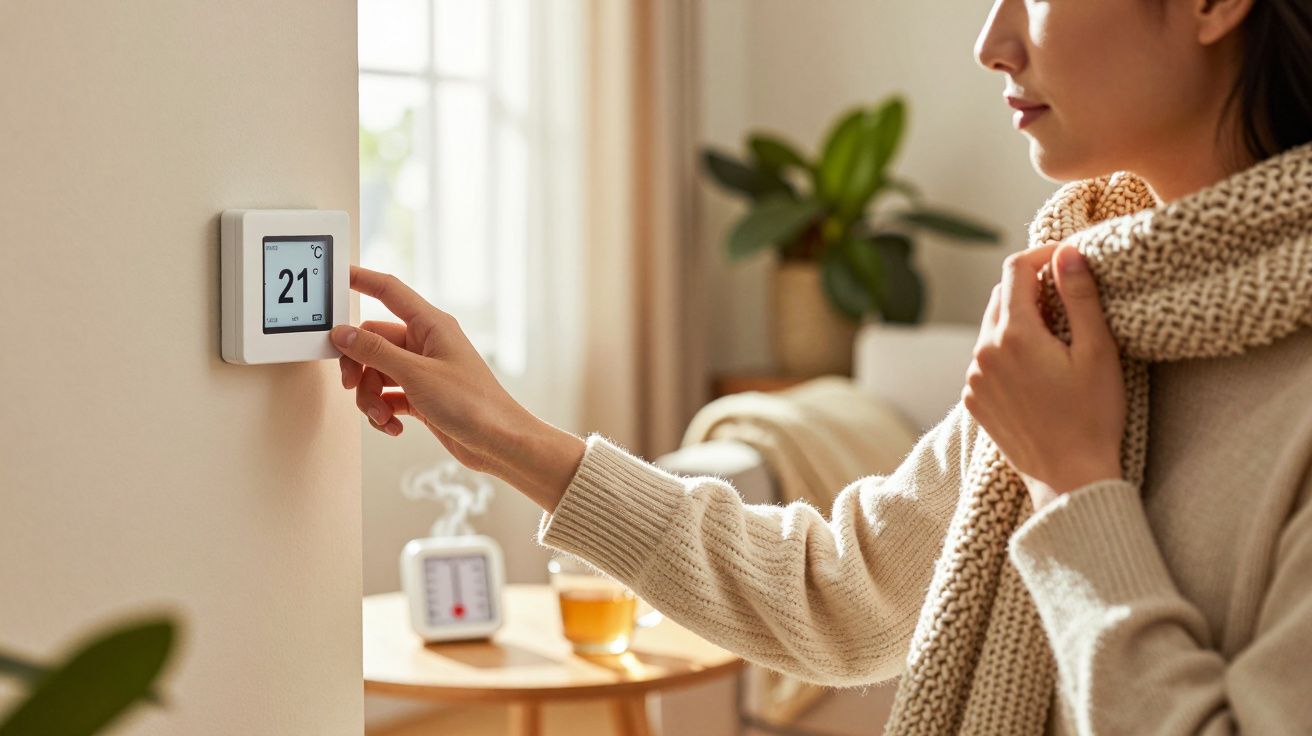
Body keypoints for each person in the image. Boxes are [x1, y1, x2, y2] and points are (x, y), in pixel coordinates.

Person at [335, 0, 1312, 732]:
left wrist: (1073, 488)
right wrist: (504, 434)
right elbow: (845, 594)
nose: (990, 40)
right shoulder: (1069, 305)